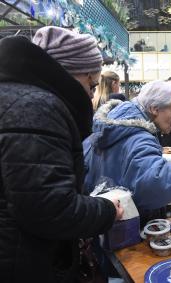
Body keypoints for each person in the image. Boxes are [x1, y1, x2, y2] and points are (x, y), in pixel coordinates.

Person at [0, 26, 123, 282]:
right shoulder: (37, 108)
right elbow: (49, 208)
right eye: (91, 85)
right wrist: (107, 210)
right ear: (73, 73)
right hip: (25, 265)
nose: (91, 96)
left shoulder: (17, 97)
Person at [83, 80, 171, 225]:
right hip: (126, 226)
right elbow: (156, 184)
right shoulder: (139, 137)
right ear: (154, 109)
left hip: (106, 224)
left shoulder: (115, 126)